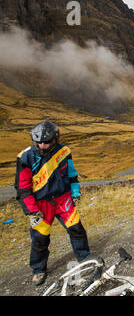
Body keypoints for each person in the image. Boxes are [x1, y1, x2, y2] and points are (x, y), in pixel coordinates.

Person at [14, 121, 90, 286]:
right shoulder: (25, 157)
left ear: (55, 139)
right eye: (38, 142)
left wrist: (75, 192)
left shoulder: (64, 151)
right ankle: (38, 269)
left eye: (47, 142)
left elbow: (72, 174)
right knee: (40, 238)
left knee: (77, 228)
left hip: (63, 199)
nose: (42, 145)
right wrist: (31, 210)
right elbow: (23, 188)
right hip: (40, 204)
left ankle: (85, 258)